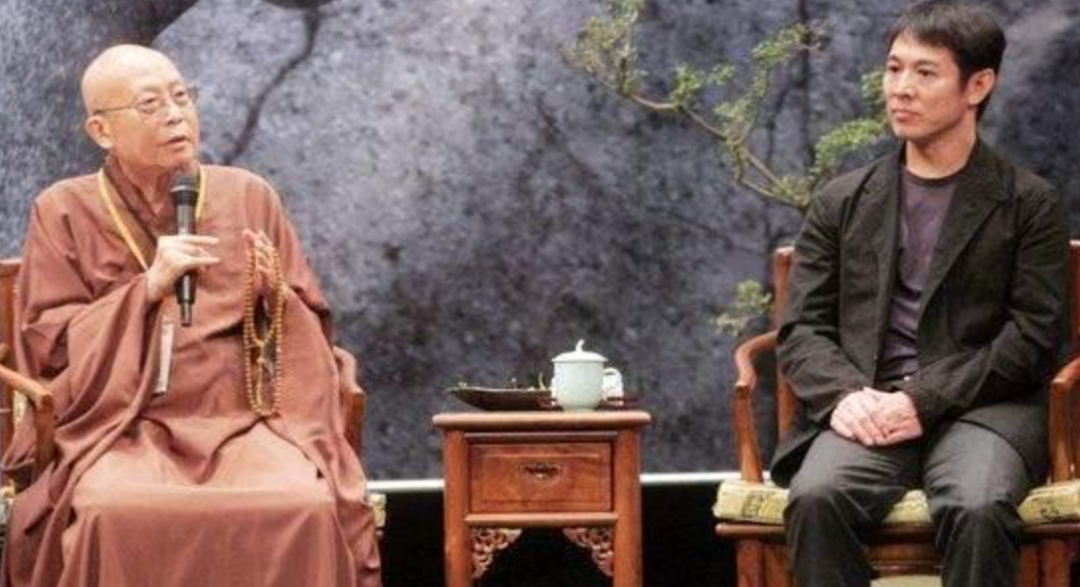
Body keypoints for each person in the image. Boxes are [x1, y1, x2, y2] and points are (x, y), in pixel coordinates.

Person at [1, 45, 382, 587]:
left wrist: (274, 297)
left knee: (304, 504)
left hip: (242, 419)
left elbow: (310, 327)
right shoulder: (63, 209)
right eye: (150, 104)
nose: (176, 115)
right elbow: (49, 343)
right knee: (110, 510)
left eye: (182, 97)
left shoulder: (249, 196)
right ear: (102, 131)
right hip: (121, 425)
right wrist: (145, 292)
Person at [771, 2, 1071, 586]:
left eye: (925, 72)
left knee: (978, 504)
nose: (901, 89)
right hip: (869, 404)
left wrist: (921, 400)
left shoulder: (1029, 204)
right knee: (816, 498)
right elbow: (802, 329)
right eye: (893, 69)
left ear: (978, 85)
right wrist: (844, 396)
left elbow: (1032, 338)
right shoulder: (843, 201)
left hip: (983, 412)